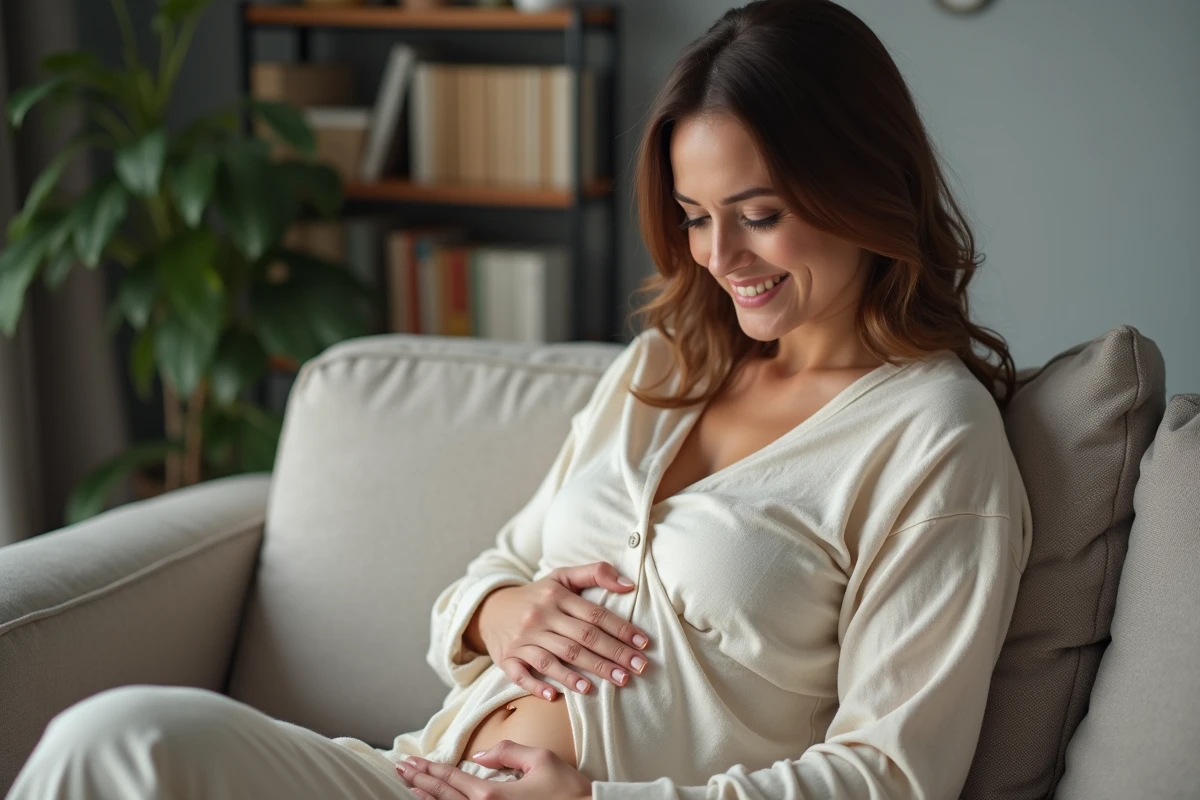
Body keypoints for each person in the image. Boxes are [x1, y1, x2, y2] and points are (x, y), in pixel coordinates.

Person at [5, 1, 1032, 798]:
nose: (720, 258)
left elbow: (893, 774)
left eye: (758, 215)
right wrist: (503, 611)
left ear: (863, 185)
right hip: (419, 769)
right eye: (693, 216)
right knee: (117, 738)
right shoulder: (658, 372)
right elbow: (490, 572)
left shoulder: (933, 439)